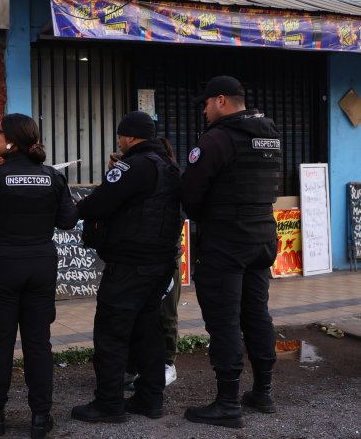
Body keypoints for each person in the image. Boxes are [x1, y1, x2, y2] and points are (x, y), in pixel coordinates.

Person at [0, 113, 77, 438]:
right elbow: (68, 220)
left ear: (9, 141)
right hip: (40, 265)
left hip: (0, 266)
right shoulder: (53, 177)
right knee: (39, 343)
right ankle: (41, 418)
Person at [182, 76, 282, 429]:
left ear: (221, 100)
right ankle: (263, 392)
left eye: (206, 104)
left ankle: (227, 403)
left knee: (224, 320)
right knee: (257, 314)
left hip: (226, 242)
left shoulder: (218, 139)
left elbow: (191, 195)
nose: (205, 111)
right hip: (262, 239)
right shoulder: (269, 133)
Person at [71, 111, 182, 424]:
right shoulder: (168, 165)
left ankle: (109, 404)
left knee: (111, 331)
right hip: (161, 263)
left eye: (121, 135)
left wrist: (70, 211)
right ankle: (150, 399)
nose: (119, 140)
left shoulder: (132, 165)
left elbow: (98, 203)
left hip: (131, 263)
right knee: (148, 330)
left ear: (130, 136)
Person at [125, 137, 183, 390]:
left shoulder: (171, 178)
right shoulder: (135, 174)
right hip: (142, 259)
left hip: (165, 258)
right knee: (142, 315)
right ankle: (138, 365)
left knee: (164, 313)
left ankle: (166, 364)